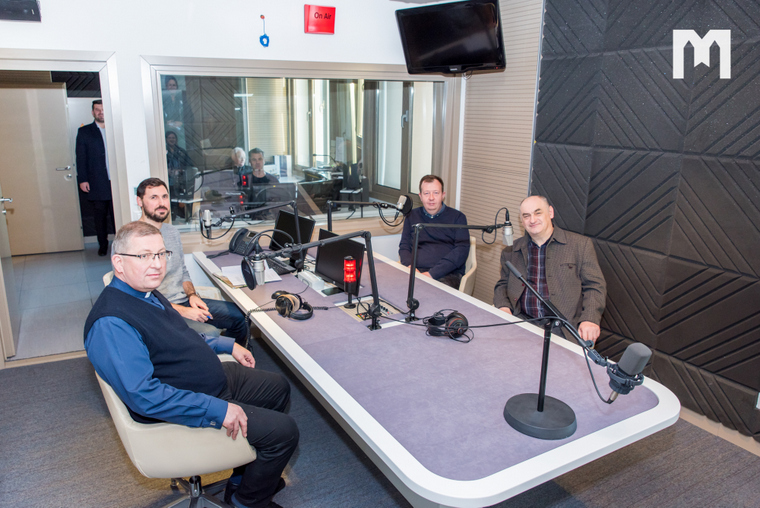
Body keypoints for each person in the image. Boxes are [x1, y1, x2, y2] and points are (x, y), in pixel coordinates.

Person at [85, 221, 298, 508]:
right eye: (144, 255)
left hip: (203, 381)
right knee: (285, 432)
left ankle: (243, 480)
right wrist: (216, 409)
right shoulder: (111, 323)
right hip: (187, 401)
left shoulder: (145, 292)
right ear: (118, 263)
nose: (157, 264)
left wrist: (227, 345)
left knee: (278, 387)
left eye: (161, 254)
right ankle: (247, 502)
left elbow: (178, 337)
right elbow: (145, 396)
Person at [136, 178, 249, 345]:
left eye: (164, 197)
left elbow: (182, 271)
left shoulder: (172, 232)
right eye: (154, 197)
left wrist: (192, 295)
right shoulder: (132, 238)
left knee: (242, 316)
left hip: (184, 301)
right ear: (140, 201)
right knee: (211, 333)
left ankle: (231, 355)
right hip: (158, 312)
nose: (161, 203)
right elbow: (138, 297)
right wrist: (183, 311)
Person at [493, 195, 607, 344]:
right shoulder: (511, 251)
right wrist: (503, 306)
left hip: (562, 330)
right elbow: (502, 284)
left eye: (538, 213)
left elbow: (595, 286)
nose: (532, 220)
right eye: (526, 216)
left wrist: (590, 319)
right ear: (521, 220)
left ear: (550, 212)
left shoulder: (580, 245)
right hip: (522, 324)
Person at [398, 175, 469, 289]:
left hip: (447, 274)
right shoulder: (411, 216)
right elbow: (404, 246)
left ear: (443, 195)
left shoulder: (458, 218)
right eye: (426, 193)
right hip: (416, 271)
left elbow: (461, 251)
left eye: (436, 193)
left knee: (428, 292)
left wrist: (431, 274)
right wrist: (411, 267)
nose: (431, 198)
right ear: (420, 196)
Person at [76, 99, 115, 256]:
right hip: (97, 181)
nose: (101, 112)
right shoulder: (85, 132)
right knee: (100, 216)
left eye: (103, 109)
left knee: (117, 215)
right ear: (93, 112)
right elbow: (81, 158)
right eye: (97, 109)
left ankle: (121, 245)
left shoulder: (116, 129)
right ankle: (103, 245)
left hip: (116, 181)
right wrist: (82, 179)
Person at [166, 131, 194, 220]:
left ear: (176, 139)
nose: (172, 140)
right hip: (168, 182)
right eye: (169, 138)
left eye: (173, 138)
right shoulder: (162, 151)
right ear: (166, 139)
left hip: (180, 182)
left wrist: (181, 170)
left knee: (181, 202)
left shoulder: (181, 151)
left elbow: (190, 165)